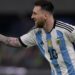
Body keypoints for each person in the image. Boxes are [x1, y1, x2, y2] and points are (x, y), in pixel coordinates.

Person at [0, 0, 75, 75]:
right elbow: (14, 42)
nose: (32, 17)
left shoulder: (65, 29)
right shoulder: (36, 33)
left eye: (35, 14)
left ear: (45, 15)